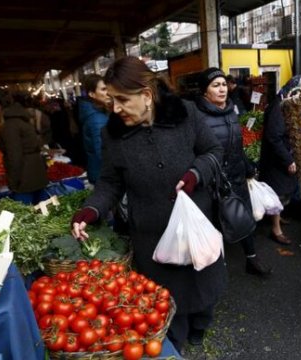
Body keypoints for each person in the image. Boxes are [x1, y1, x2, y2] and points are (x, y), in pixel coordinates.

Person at [70, 57, 227, 352]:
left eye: (121, 100)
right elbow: (110, 183)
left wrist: (196, 174)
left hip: (195, 223)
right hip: (152, 233)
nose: (115, 109)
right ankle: (175, 340)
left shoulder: (186, 114)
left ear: (146, 94)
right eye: (111, 99)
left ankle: (201, 324)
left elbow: (213, 150)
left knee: (203, 280)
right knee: (168, 298)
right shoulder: (113, 134)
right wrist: (92, 210)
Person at [191, 67, 272, 276]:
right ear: (204, 91)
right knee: (216, 222)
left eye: (224, 85)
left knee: (244, 218)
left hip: (237, 176)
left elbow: (237, 145)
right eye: (215, 85)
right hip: (214, 180)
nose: (222, 89)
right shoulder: (197, 116)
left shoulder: (232, 110)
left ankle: (252, 259)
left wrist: (247, 166)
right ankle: (217, 268)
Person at [258, 75, 301, 245]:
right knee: (277, 194)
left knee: (284, 191)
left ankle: (277, 217)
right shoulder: (278, 107)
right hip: (276, 160)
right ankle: (276, 229)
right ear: (292, 88)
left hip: (282, 155)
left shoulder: (288, 104)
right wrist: (288, 160)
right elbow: (274, 137)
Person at [0, 86, 49, 205]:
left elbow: (14, 156)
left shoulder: (9, 125)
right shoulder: (18, 118)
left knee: (25, 217)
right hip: (35, 172)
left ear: (1, 103)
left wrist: (13, 183)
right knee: (43, 210)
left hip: (25, 178)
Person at [77, 74, 111, 184]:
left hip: (99, 173)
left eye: (108, 88)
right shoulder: (97, 119)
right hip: (105, 176)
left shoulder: (97, 113)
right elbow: (103, 152)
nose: (108, 93)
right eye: (103, 89)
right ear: (92, 94)